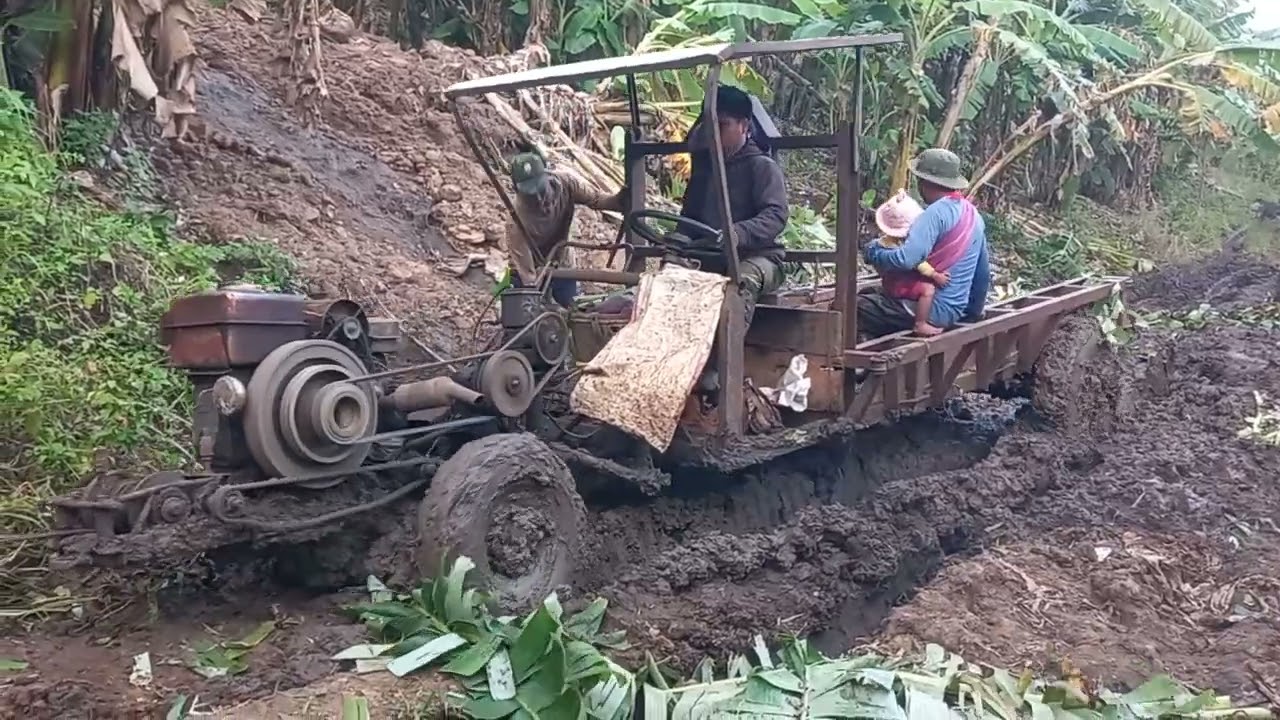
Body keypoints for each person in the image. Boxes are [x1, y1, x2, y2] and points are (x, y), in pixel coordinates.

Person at [678, 84, 789, 328]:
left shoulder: (761, 166)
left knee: (740, 285)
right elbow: (689, 217)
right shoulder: (705, 169)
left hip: (760, 258)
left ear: (744, 126)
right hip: (709, 256)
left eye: (722, 125)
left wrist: (738, 233)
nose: (713, 133)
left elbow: (776, 215)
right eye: (709, 125)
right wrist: (676, 243)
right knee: (666, 279)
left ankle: (725, 361)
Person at [858, 148, 990, 340]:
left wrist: (874, 252)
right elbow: (983, 275)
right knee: (871, 293)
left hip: (928, 309)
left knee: (854, 307)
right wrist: (973, 313)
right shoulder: (973, 214)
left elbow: (906, 259)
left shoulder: (933, 214)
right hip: (952, 310)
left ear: (925, 181)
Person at [504, 151, 626, 308]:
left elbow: (596, 199)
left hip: (561, 263)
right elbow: (528, 278)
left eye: (541, 190)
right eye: (531, 195)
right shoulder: (516, 222)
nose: (540, 199)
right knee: (520, 318)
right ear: (517, 190)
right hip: (525, 272)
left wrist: (619, 200)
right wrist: (539, 304)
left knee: (574, 310)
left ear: (547, 174)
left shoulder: (567, 184)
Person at [874, 189, 953, 336]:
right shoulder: (901, 245)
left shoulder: (884, 242)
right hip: (898, 283)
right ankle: (920, 323)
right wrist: (935, 275)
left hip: (892, 280)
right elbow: (916, 261)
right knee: (927, 290)